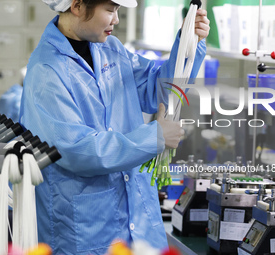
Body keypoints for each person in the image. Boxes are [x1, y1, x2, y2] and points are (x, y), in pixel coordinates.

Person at [19, 0, 210, 254]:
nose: (116, 20)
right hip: (87, 232)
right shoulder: (47, 71)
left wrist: (189, 43)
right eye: (110, 10)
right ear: (76, 5)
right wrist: (153, 136)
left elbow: (159, 89)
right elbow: (77, 149)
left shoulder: (111, 49)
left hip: (139, 225)